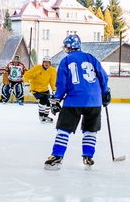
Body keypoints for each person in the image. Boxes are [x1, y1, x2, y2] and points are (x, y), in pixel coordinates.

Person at [45, 35, 110, 170]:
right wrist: (105, 92)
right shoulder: (91, 58)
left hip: (74, 101)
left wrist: (57, 98)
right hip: (94, 101)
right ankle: (88, 156)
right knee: (90, 130)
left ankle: (57, 156)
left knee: (63, 130)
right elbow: (102, 76)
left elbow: (62, 83)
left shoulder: (66, 60)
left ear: (68, 47)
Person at [23, 57, 57, 123]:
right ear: (43, 63)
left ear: (50, 63)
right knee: (43, 100)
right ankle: (41, 116)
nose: (46, 64)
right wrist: (26, 82)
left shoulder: (52, 70)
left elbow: (52, 81)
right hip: (36, 89)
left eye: (48, 62)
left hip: (45, 89)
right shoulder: (37, 68)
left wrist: (54, 90)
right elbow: (27, 74)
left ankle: (45, 116)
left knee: (48, 102)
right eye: (45, 62)